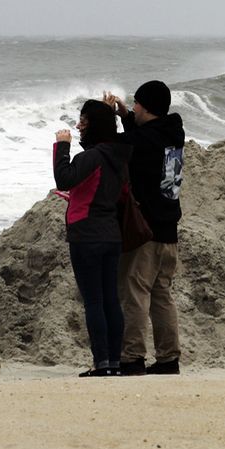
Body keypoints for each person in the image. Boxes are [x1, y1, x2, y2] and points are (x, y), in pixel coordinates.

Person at [103, 81, 185, 375]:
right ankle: (168, 359)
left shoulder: (144, 141)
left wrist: (106, 116)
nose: (133, 107)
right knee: (162, 294)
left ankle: (132, 357)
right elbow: (142, 137)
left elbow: (113, 147)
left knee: (135, 292)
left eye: (136, 103)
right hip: (169, 229)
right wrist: (125, 115)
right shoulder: (173, 133)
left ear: (147, 107)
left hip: (146, 230)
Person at [53, 100, 137, 377]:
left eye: (83, 121)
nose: (78, 126)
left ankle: (101, 362)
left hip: (86, 234)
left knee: (93, 301)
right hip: (110, 234)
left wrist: (62, 146)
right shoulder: (118, 156)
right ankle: (113, 362)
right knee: (110, 299)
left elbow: (64, 178)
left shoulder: (92, 157)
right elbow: (114, 192)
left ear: (94, 126)